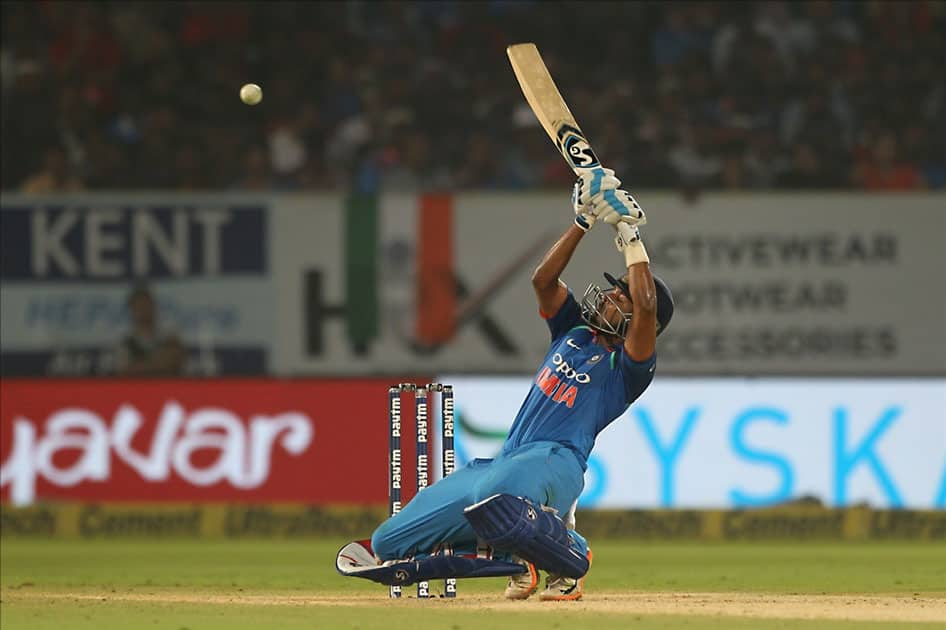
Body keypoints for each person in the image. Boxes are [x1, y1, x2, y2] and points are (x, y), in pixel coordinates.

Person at [337, 167, 673, 601]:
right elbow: (542, 281)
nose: (608, 296)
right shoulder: (573, 331)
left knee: (494, 497)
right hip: (506, 461)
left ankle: (571, 554)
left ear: (639, 322)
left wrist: (629, 232)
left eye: (619, 294)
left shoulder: (628, 368)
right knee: (387, 541)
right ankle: (519, 558)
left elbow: (646, 304)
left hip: (556, 462)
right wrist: (582, 223)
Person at [113, 284, 186, 376]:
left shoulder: (169, 337)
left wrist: (141, 365)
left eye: (146, 304)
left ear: (153, 306)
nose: (143, 309)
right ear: (132, 309)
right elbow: (124, 371)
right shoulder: (125, 343)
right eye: (139, 305)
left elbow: (175, 362)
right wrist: (158, 364)